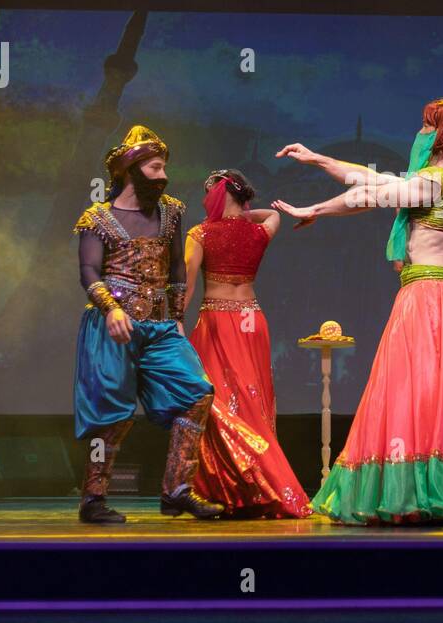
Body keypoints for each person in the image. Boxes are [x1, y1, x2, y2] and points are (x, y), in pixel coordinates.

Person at [271, 97, 443, 525]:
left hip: (427, 299)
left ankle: (418, 493)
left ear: (441, 133)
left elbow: (369, 195)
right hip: (430, 295)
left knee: (412, 390)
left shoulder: (438, 180)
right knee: (424, 392)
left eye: (425, 125)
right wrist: (316, 158)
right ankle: (425, 488)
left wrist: (316, 209)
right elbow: (373, 179)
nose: (418, 132)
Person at [72, 124, 224, 523]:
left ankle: (176, 490)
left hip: (159, 327)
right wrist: (111, 309)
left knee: (197, 393)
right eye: (155, 168)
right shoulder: (98, 218)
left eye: (163, 168)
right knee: (113, 413)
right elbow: (89, 271)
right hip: (113, 326)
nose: (163, 175)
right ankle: (93, 499)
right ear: (131, 170)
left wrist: (176, 318)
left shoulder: (171, 212)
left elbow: (177, 269)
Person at [183, 169, 313, 518]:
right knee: (253, 405)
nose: (203, 200)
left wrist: (174, 327)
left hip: (219, 321)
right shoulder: (261, 229)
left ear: (219, 193)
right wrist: (241, 212)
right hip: (252, 321)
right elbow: (273, 213)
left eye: (208, 193)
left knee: (216, 403)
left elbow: (187, 288)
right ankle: (260, 485)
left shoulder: (199, 233)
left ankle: (232, 487)